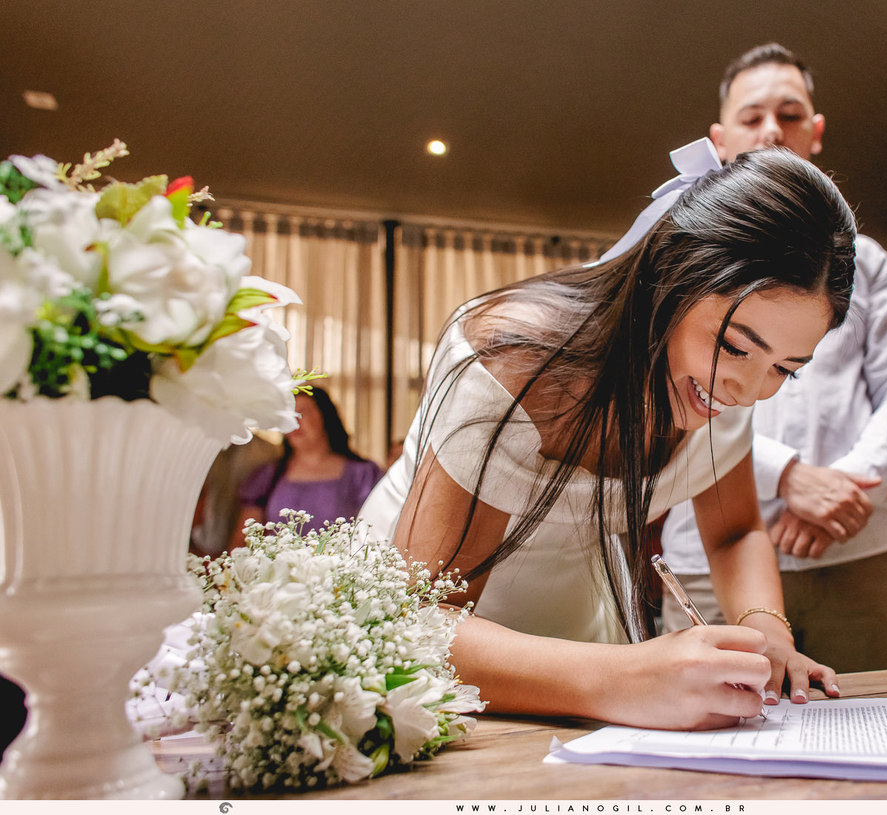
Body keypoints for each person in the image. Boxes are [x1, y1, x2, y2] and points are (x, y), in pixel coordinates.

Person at [359, 146, 854, 731]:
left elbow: (735, 531)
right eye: (735, 346)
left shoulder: (718, 388)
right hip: (439, 630)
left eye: (785, 369)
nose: (745, 391)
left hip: (575, 641)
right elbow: (419, 623)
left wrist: (767, 631)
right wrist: (622, 678)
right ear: (673, 277)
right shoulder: (514, 361)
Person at [659, 43, 887, 672]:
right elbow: (670, 390)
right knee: (715, 748)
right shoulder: (678, 252)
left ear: (815, 133)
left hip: (859, 547)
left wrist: (842, 489)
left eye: (789, 115)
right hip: (708, 554)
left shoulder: (867, 264)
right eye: (752, 116)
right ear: (720, 138)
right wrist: (788, 477)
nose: (771, 130)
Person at [232, 386, 382, 546]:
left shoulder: (363, 475)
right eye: (288, 416)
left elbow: (374, 534)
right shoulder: (267, 476)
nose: (294, 422)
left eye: (302, 413)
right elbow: (243, 540)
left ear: (325, 416)